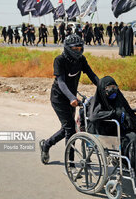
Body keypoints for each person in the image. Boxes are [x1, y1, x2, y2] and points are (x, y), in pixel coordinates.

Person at [39, 34, 99, 173]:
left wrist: (104, 86)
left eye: (80, 48)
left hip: (72, 99)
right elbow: (61, 82)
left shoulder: (81, 59)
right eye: (75, 48)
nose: (78, 51)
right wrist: (72, 98)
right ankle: (70, 164)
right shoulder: (59, 60)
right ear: (67, 48)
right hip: (59, 98)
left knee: (68, 129)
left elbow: (91, 74)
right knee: (70, 129)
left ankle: (46, 144)